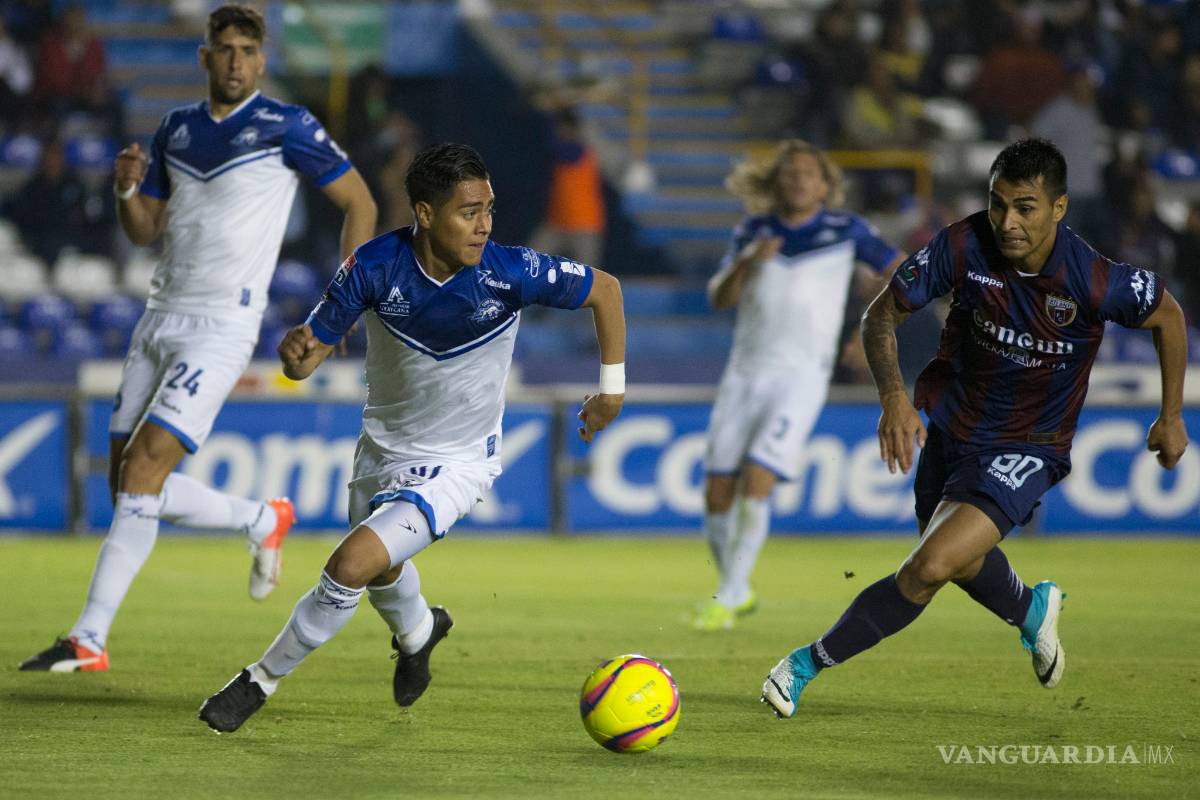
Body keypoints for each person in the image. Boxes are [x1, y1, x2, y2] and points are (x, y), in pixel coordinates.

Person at [197, 142, 626, 733]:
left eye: (489, 210)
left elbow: (605, 289)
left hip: (458, 463)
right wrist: (295, 357)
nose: (484, 226)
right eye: (468, 212)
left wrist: (612, 389)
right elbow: (307, 357)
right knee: (380, 572)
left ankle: (258, 680)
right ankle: (421, 632)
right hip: (381, 450)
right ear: (424, 213)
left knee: (351, 562)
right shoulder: (373, 267)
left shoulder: (511, 272)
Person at [761, 138, 1189, 718]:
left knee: (928, 566)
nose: (1008, 222)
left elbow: (1167, 314)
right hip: (952, 430)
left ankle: (804, 665)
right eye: (998, 204)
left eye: (1026, 207)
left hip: (1029, 445)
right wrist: (893, 396)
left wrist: (1170, 416)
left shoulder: (1093, 279)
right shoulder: (963, 245)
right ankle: (1030, 610)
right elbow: (881, 312)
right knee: (956, 562)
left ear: (1059, 208)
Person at [19, 4, 377, 673]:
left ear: (261, 60)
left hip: (224, 322)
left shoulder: (286, 126)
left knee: (145, 473)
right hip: (159, 317)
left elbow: (361, 203)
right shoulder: (175, 129)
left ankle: (89, 638)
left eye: (248, 49)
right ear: (205, 57)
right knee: (128, 487)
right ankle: (259, 519)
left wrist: (343, 301)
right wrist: (127, 191)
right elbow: (144, 230)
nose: (237, 60)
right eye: (226, 48)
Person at [692, 139, 904, 631]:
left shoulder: (847, 230)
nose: (798, 179)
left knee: (758, 478)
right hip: (743, 374)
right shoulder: (754, 231)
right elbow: (718, 298)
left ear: (826, 184)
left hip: (801, 376)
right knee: (717, 491)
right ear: (776, 181)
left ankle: (726, 597)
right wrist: (748, 262)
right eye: (790, 172)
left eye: (809, 172)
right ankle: (738, 588)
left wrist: (869, 328)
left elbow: (903, 272)